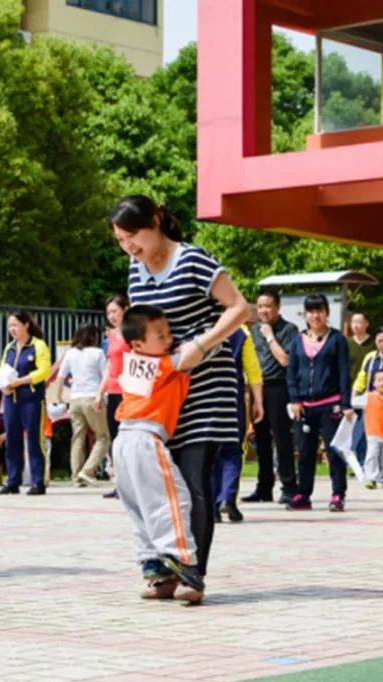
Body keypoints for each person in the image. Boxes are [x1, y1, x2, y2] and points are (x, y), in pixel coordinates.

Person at [111, 196, 250, 578]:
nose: (130, 246)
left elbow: (240, 308)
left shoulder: (192, 260)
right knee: (157, 483)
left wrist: (200, 345)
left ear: (155, 222)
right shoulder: (135, 269)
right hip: (163, 392)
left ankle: (192, 572)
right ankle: (164, 566)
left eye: (133, 235)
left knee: (192, 477)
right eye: (122, 241)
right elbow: (140, 329)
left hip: (205, 382)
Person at [111, 305, 205, 604]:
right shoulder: (162, 364)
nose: (169, 338)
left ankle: (156, 570)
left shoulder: (134, 362)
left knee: (139, 508)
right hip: (145, 439)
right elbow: (195, 355)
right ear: (138, 344)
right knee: (172, 501)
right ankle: (186, 566)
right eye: (160, 335)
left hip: (123, 441)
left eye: (169, 332)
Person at [286, 294, 353, 512]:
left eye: (320, 310)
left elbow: (344, 372)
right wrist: (295, 399)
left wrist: (345, 403)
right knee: (305, 452)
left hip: (330, 405)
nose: (316, 315)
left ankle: (337, 494)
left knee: (334, 452)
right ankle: (303, 494)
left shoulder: (337, 339)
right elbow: (291, 372)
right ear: (305, 314)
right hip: (304, 407)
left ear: (327, 313)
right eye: (311, 311)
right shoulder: (297, 340)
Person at [244, 289, 300, 503]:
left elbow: (285, 360)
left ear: (277, 307)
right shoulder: (253, 330)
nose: (263, 310)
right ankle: (264, 487)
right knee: (261, 439)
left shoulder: (289, 330)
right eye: (259, 306)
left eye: (268, 306)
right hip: (258, 388)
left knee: (282, 438)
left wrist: (269, 337)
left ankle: (288, 486)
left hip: (279, 387)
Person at [210, 327, 264, 524]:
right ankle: (228, 497)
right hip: (232, 398)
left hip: (206, 399)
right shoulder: (241, 332)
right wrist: (258, 401)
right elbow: (253, 370)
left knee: (210, 453)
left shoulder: (202, 326)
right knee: (232, 450)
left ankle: (213, 506)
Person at [0, 311, 52, 495]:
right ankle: (13, 480)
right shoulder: (9, 347)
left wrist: (21, 381)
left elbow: (45, 370)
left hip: (32, 399)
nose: (12, 329)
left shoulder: (38, 345)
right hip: (11, 399)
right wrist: (3, 386)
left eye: (15, 325)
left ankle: (38, 481)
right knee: (12, 439)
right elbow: (3, 369)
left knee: (35, 440)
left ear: (26, 325)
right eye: (10, 326)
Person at [59, 323, 110, 487]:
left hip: (74, 399)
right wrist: (102, 397)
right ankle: (87, 471)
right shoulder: (98, 353)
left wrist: (60, 398)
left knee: (77, 438)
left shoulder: (70, 353)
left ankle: (76, 477)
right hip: (93, 398)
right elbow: (105, 376)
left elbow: (61, 377)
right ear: (93, 336)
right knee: (103, 436)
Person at [95, 295, 130, 499]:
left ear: (126, 309)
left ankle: (132, 485)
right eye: (108, 313)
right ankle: (121, 485)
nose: (111, 316)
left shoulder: (133, 332)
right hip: (114, 391)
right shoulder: (112, 337)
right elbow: (109, 367)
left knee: (128, 439)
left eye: (115, 311)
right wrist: (100, 393)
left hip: (129, 392)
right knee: (115, 440)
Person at [351, 326, 383, 466]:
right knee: (366, 436)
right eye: (379, 341)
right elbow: (361, 378)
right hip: (370, 404)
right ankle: (365, 468)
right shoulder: (370, 357)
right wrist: (353, 397)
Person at [362, 368, 383, 488]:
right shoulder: (368, 397)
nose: (382, 383)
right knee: (372, 454)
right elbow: (351, 404)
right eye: (379, 380)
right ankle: (371, 478)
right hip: (373, 432)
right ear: (374, 383)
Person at [347, 312, 374, 383]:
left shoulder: (374, 343)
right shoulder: (345, 342)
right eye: (353, 322)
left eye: (358, 322)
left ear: (366, 324)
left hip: (370, 385)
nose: (355, 325)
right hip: (349, 385)